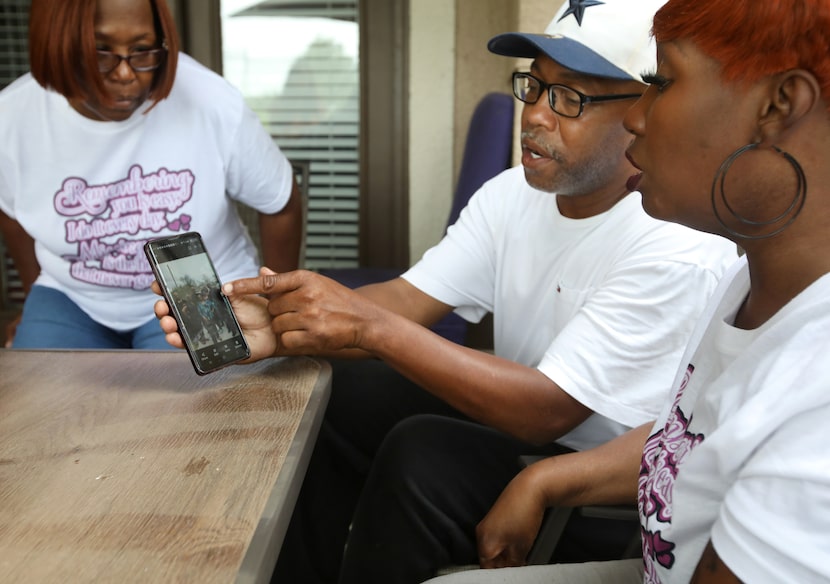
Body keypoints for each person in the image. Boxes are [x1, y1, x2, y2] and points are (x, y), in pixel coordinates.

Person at [154, 1, 738, 582]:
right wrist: (281, 324)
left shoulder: (675, 242)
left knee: (422, 455)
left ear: (641, 112)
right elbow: (409, 302)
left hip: (601, 486)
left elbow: (547, 411)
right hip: (528, 427)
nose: (534, 116)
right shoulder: (514, 194)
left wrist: (366, 327)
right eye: (533, 88)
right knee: (336, 381)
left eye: (569, 99)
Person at [423, 0, 830, 582]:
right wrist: (545, 478)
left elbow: (548, 410)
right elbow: (690, 438)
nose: (637, 118)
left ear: (778, 106)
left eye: (661, 84)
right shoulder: (752, 280)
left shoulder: (817, 383)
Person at [0, 0, 303, 349]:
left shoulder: (211, 101)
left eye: (142, 50)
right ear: (55, 45)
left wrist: (276, 308)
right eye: (101, 52)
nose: (126, 74)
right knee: (41, 398)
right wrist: (32, 299)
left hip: (198, 286)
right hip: (71, 295)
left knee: (193, 399)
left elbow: (280, 201)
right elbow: (11, 213)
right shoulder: (13, 117)